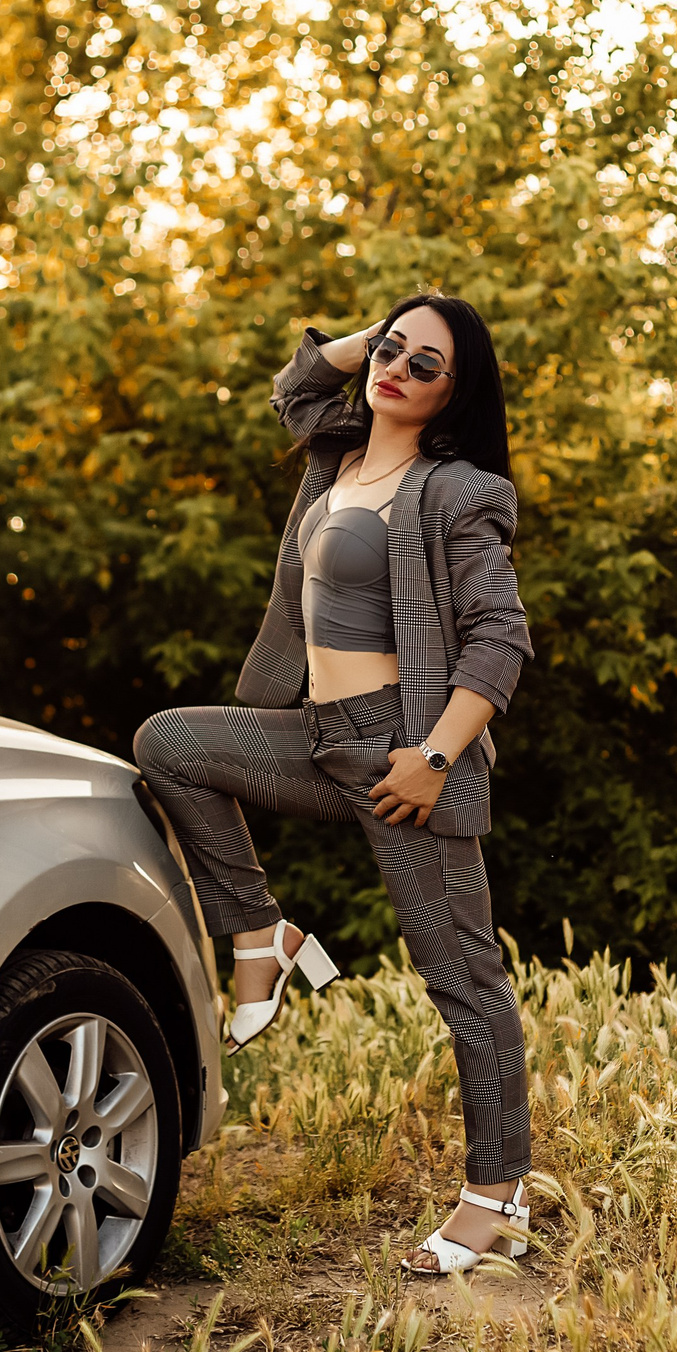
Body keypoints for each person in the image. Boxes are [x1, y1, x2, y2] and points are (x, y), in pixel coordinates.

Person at [132, 291, 535, 1276]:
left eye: (423, 363)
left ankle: (497, 1194)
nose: (395, 368)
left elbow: (501, 639)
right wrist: (384, 328)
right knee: (170, 745)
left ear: (455, 394)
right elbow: (297, 387)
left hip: (403, 754)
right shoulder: (341, 456)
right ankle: (260, 930)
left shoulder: (456, 492)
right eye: (390, 351)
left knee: (464, 982)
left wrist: (433, 757)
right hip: (319, 734)